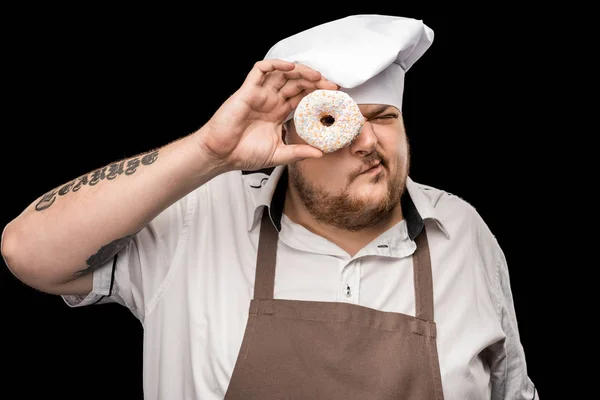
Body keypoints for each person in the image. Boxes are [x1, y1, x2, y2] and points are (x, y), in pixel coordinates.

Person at [0, 14, 538, 400]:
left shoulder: (463, 232)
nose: (369, 143)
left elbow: (512, 390)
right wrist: (209, 152)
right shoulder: (197, 217)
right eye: (339, 125)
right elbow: (28, 252)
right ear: (289, 137)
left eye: (384, 117)